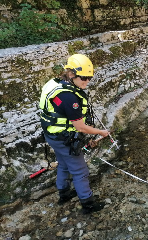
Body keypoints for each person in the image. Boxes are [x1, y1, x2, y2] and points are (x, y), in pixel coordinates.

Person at [39, 54, 109, 214]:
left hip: (51, 134)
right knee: (80, 171)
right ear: (71, 74)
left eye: (90, 77)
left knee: (63, 164)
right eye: (83, 77)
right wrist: (101, 132)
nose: (87, 81)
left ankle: (64, 194)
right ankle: (88, 205)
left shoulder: (54, 84)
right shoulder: (69, 97)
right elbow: (81, 127)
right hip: (64, 139)